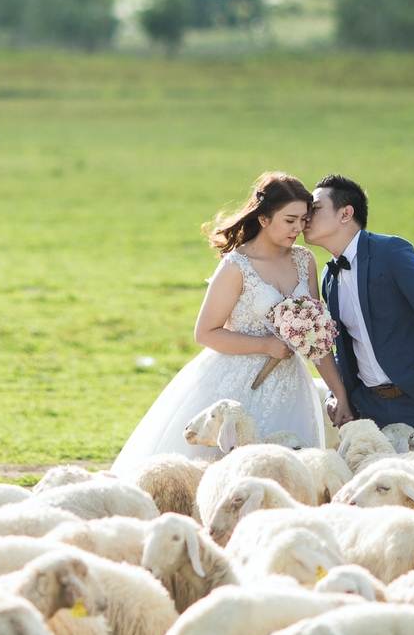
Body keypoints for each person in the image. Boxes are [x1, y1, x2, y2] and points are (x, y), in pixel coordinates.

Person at [112, 173, 354, 470]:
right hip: (236, 383)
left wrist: (339, 393)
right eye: (290, 220)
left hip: (289, 387)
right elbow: (205, 333)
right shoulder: (236, 266)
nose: (298, 228)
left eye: (303, 219)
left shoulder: (305, 261)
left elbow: (316, 338)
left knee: (286, 468)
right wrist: (266, 344)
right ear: (264, 219)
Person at [302, 173, 414, 428]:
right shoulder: (328, 276)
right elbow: (345, 345)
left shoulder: (390, 251)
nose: (306, 217)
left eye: (315, 208)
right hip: (368, 407)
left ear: (345, 213)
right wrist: (339, 395)